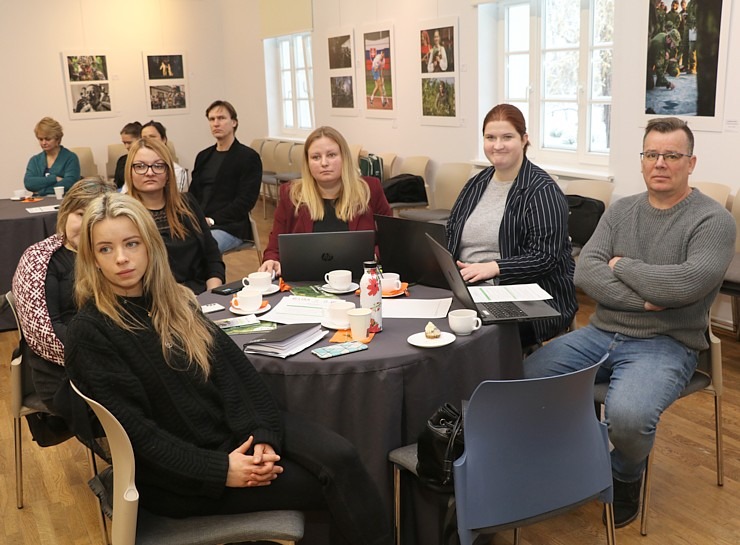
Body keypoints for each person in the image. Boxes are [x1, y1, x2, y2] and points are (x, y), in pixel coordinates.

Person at [64, 192, 394, 545]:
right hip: (181, 478)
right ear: (92, 259)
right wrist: (220, 470)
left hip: (232, 434)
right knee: (333, 486)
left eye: (131, 243)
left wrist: (263, 433)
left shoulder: (175, 302)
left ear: (150, 247)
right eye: (106, 249)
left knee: (343, 456)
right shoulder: (91, 331)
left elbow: (236, 374)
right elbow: (138, 434)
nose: (122, 259)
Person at [523, 117, 736, 528]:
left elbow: (687, 283)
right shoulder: (621, 210)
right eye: (652, 154)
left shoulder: (713, 221)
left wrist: (623, 266)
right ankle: (582, 454)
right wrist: (647, 297)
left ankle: (623, 475)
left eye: (672, 155)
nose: (660, 163)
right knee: (528, 376)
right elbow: (586, 273)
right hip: (600, 332)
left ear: (691, 163)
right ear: (641, 161)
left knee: (630, 417)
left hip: (668, 342)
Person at [446, 104, 577, 348]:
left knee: (471, 339)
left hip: (530, 296)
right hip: (470, 288)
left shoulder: (543, 191)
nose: (497, 145)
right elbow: (451, 233)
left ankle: (485, 383)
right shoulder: (476, 184)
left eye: (507, 137)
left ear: (524, 139)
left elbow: (544, 258)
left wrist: (495, 268)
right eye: (490, 137)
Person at [12, 177, 116, 443]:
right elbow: (45, 334)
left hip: (113, 360)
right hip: (62, 375)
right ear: (66, 211)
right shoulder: (40, 259)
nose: (85, 224)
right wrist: (110, 356)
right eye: (80, 214)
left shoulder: (110, 254)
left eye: (95, 217)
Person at [259, 126, 392, 277]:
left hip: (358, 280)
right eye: (316, 157)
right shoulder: (291, 194)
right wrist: (271, 261)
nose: (324, 163)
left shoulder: (370, 189)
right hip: (306, 281)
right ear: (307, 162)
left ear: (344, 157)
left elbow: (391, 239)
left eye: (331, 155)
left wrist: (371, 256)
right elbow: (274, 247)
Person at [124, 137, 224, 294]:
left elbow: (212, 256)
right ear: (129, 172)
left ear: (168, 172)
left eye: (158, 166)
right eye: (140, 166)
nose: (150, 172)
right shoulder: (124, 215)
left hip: (200, 294)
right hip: (154, 300)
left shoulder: (187, 203)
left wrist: (213, 293)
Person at [189, 100, 262, 253]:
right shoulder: (203, 156)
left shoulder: (248, 157)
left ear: (234, 122)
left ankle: (211, 277)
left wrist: (212, 220)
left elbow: (245, 202)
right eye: (212, 119)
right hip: (200, 223)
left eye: (221, 118)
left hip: (230, 226)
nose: (216, 123)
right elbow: (192, 195)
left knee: (198, 250)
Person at [24, 117, 81, 196]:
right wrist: (54, 179)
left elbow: (70, 183)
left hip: (62, 201)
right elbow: (29, 183)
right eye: (40, 139)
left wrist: (41, 191)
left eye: (48, 139)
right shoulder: (35, 160)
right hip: (37, 202)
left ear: (57, 139)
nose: (43, 143)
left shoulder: (70, 158)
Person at [140, 120, 189, 192]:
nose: (148, 142)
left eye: (152, 137)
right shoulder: (135, 168)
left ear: (163, 140)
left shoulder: (177, 172)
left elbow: (176, 199)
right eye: (144, 138)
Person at [113, 121, 142, 190]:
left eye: (129, 143)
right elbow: (117, 184)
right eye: (124, 143)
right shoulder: (122, 160)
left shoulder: (149, 160)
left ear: (140, 140)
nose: (126, 146)